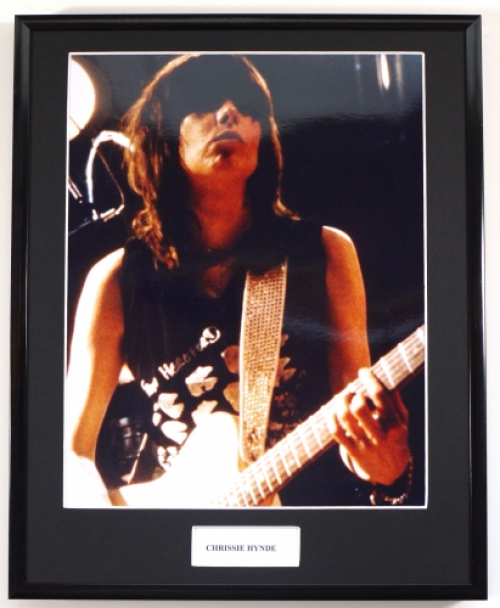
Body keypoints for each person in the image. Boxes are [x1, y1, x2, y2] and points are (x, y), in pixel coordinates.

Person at [65, 54, 412, 508]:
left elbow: (357, 421)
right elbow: (71, 453)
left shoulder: (323, 252)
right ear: (164, 135)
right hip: (176, 535)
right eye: (204, 102)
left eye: (246, 106)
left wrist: (388, 473)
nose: (229, 111)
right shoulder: (117, 280)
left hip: (301, 524)